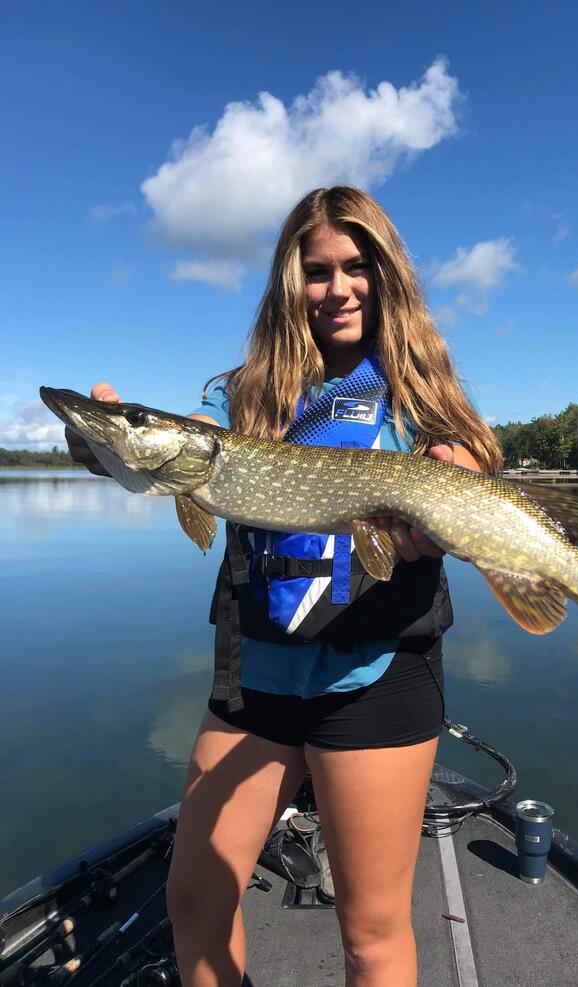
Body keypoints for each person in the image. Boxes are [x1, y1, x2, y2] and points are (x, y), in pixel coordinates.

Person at [66, 186, 502, 987]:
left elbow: (470, 464)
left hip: (374, 678)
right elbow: (149, 467)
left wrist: (457, 489)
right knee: (194, 899)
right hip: (256, 677)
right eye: (316, 270)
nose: (338, 287)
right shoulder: (239, 395)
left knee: (370, 936)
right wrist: (105, 442)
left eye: (356, 266)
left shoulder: (418, 394)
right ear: (287, 282)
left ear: (386, 275)